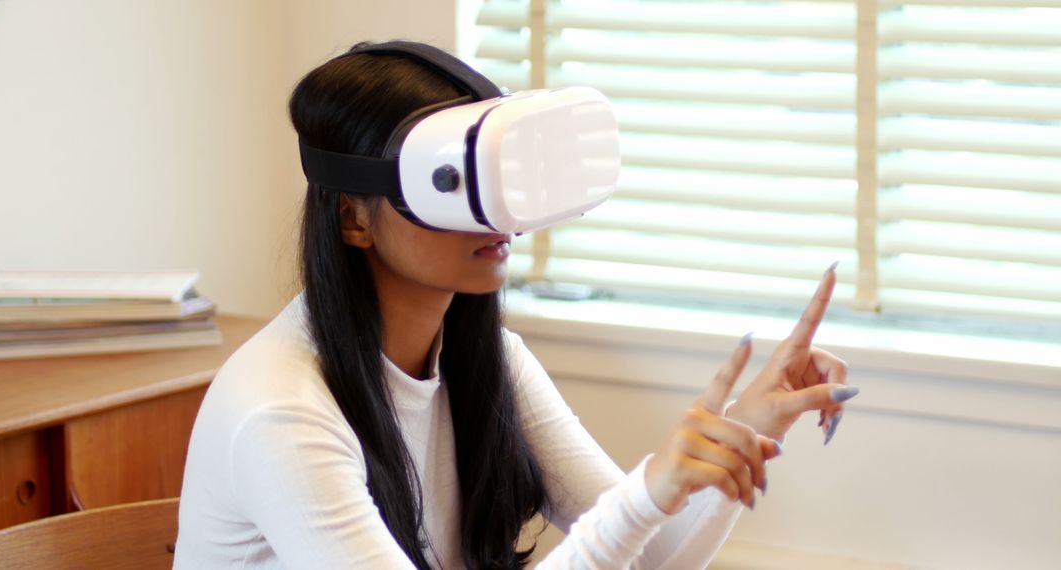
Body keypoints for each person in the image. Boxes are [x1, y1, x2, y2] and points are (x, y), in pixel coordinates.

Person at [174, 41, 857, 569]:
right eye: (454, 184)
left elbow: (648, 556)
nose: (494, 215)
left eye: (498, 178)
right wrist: (644, 493)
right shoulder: (281, 411)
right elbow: (629, 528)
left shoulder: (487, 361)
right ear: (354, 218)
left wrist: (748, 425)